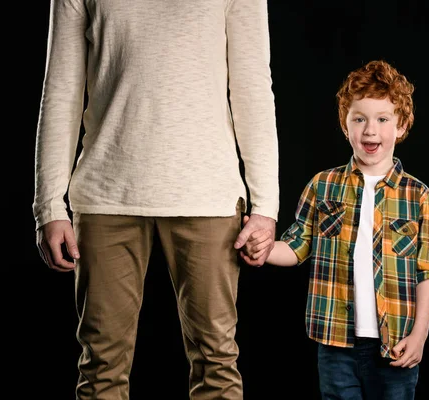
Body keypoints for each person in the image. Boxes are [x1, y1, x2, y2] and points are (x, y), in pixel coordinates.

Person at [33, 1, 278, 399]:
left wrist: (265, 207)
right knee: (100, 368)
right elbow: (61, 90)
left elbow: (253, 88)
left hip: (207, 196)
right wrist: (49, 205)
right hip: (105, 197)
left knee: (217, 363)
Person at [241, 60, 429, 400]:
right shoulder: (323, 186)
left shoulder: (418, 195)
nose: (370, 130)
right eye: (359, 118)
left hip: (395, 344)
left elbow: (428, 271)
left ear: (402, 125)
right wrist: (261, 247)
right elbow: (296, 245)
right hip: (335, 345)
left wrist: (420, 334)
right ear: (344, 123)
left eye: (382, 119)